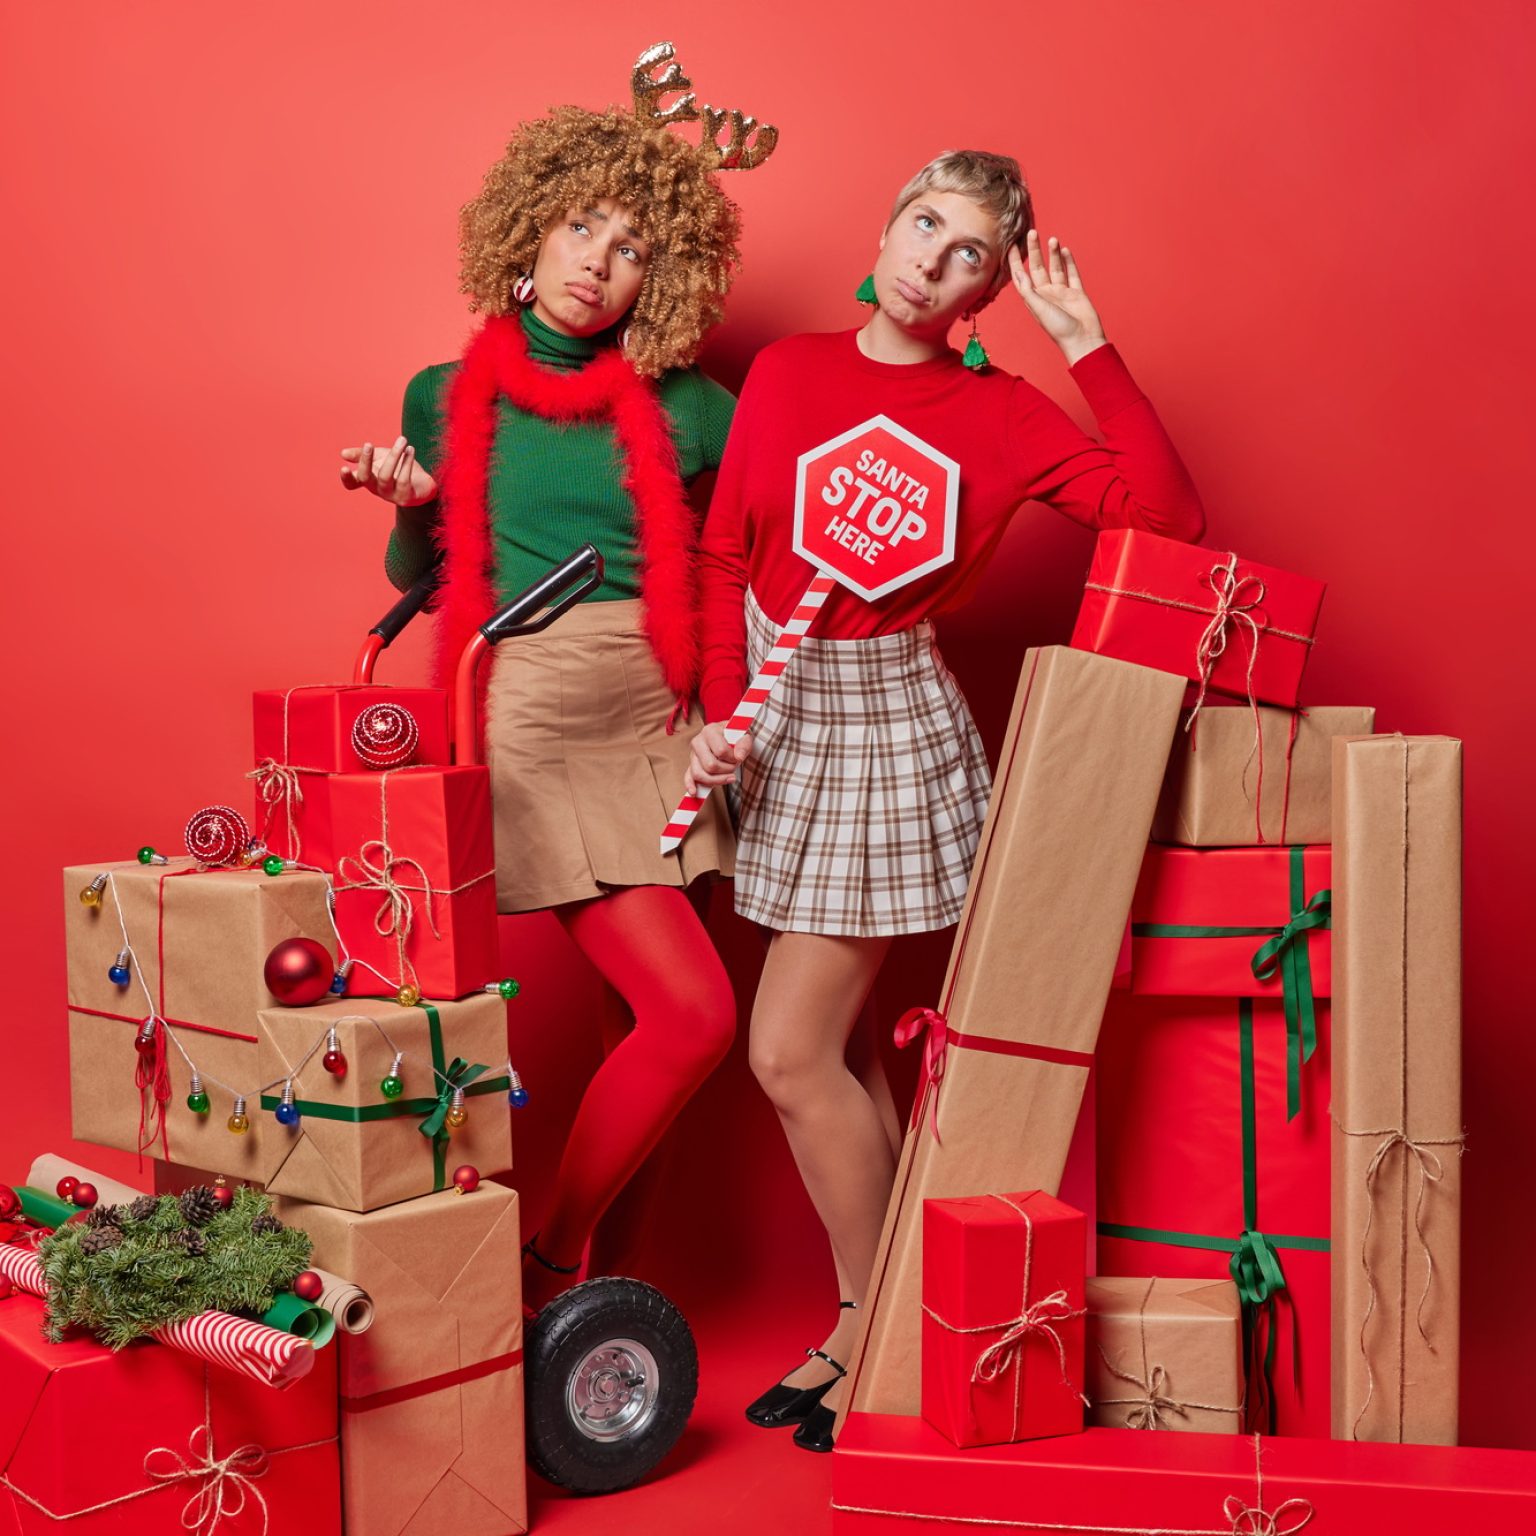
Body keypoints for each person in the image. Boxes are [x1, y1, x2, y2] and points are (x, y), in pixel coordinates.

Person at [686, 150, 1205, 1451]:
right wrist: (720, 715)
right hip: (780, 719)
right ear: (888, 224)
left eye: (970, 252)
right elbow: (723, 554)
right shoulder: (793, 373)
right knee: (848, 1058)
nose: (933, 258)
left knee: (788, 1052)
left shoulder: (1005, 414)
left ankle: (878, 1328)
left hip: (885, 732)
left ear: (989, 288)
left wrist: (1089, 349)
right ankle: (871, 1316)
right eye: (926, 225)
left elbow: (1167, 521)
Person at [340, 45, 776, 1316]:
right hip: (528, 698)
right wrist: (416, 505)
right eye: (583, 225)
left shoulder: (695, 404)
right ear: (530, 232)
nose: (599, 258)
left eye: (633, 245)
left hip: (663, 704)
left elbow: (780, 520)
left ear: (664, 277)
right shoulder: (443, 394)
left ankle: (597, 1318)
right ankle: (546, 1263)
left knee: (632, 1036)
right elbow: (419, 567)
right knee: (694, 1017)